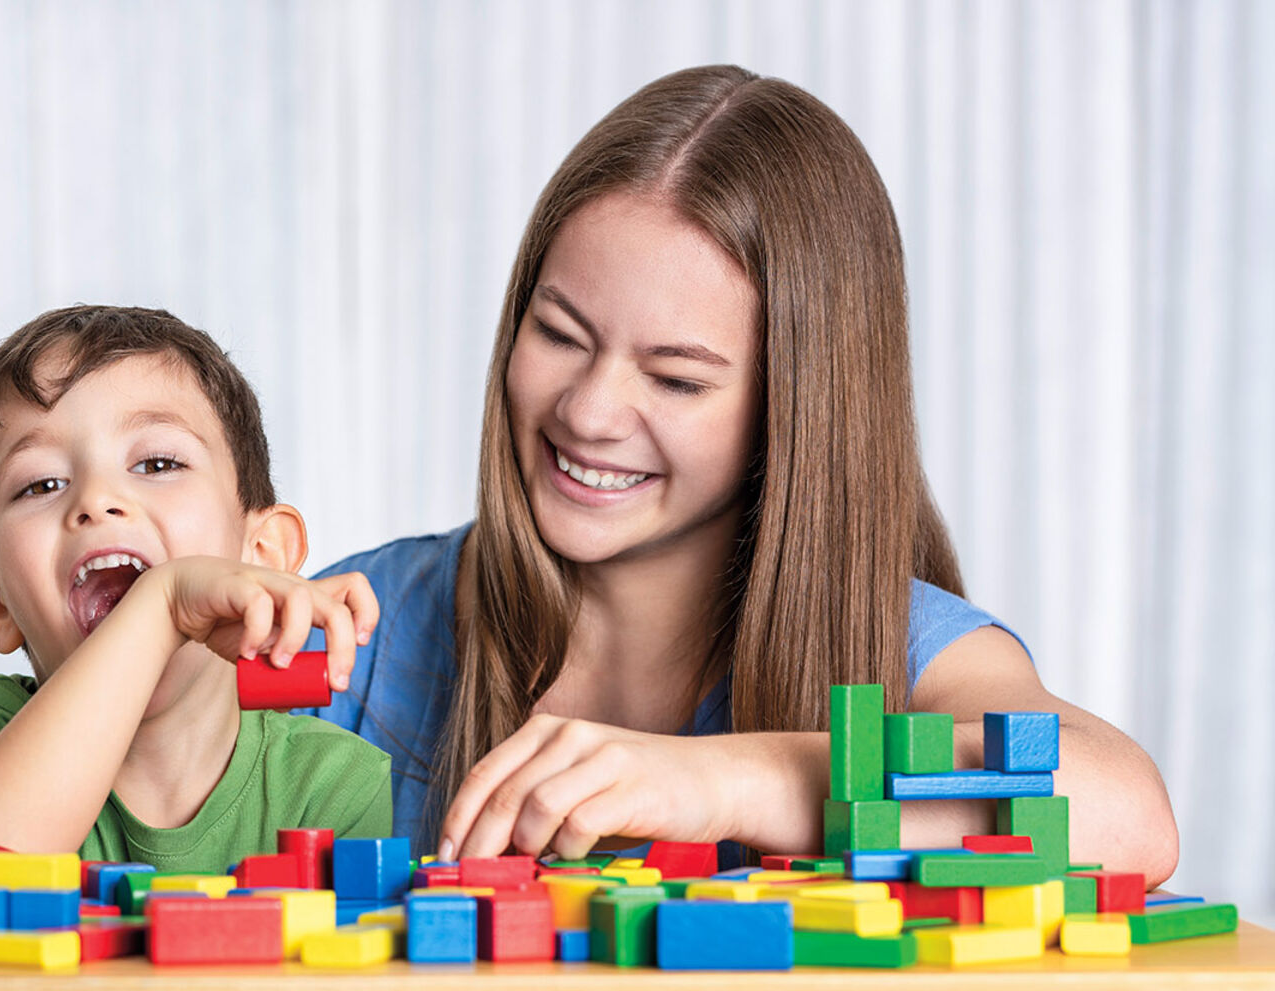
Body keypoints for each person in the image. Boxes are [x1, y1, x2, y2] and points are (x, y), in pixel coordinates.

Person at [307, 65, 1179, 885]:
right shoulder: (361, 624)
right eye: (560, 335)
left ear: (795, 411)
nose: (589, 412)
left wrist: (722, 780)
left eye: (676, 378)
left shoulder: (904, 646)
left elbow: (1127, 816)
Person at [0, 305, 392, 870]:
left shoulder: (333, 783)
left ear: (262, 555)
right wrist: (160, 604)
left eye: (158, 463)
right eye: (42, 484)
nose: (96, 499)